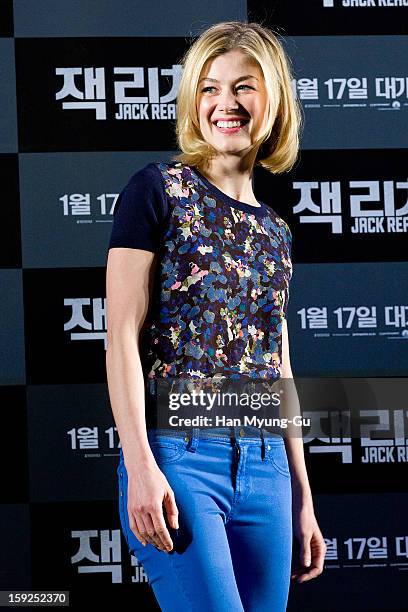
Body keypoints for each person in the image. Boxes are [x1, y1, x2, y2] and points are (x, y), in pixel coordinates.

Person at [106, 20, 326, 612]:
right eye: (208, 87)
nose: (224, 104)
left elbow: (277, 368)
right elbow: (121, 334)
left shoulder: (277, 231)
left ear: (273, 100)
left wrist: (301, 495)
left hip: (266, 471)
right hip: (178, 460)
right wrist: (140, 465)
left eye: (243, 87)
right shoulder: (155, 190)